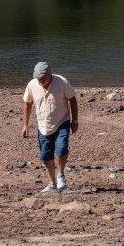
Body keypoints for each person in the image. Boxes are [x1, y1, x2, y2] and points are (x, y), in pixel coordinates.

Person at [22, 61, 79, 193]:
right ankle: (52, 183)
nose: (41, 81)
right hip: (43, 125)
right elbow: (27, 104)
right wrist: (25, 125)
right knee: (45, 155)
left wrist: (75, 121)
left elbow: (73, 100)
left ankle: (61, 176)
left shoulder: (62, 82)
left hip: (62, 121)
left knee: (62, 148)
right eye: (39, 79)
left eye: (43, 79)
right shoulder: (32, 84)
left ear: (50, 73)